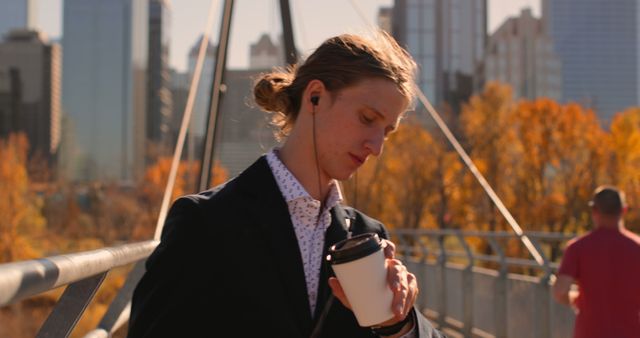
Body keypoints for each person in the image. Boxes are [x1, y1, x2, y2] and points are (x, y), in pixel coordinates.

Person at [127, 32, 444, 338]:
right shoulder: (205, 222)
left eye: (387, 131)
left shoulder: (368, 236)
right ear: (315, 97)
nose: (377, 147)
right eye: (367, 118)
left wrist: (399, 324)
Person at [553, 185, 640, 338]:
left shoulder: (577, 247)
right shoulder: (637, 247)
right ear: (624, 210)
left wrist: (576, 299)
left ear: (594, 211)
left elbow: (560, 291)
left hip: (589, 332)